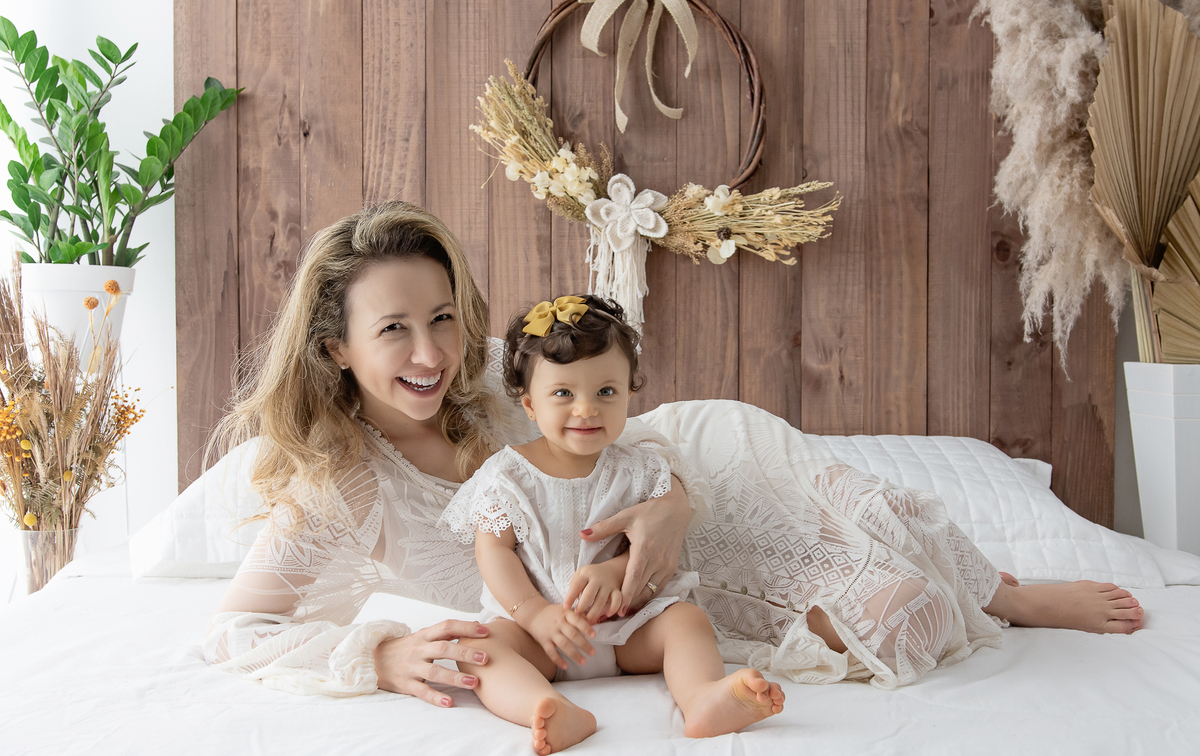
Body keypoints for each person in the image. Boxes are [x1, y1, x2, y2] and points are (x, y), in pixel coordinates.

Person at [205, 200, 1143, 704]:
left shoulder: (498, 374)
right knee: (900, 616)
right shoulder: (340, 487)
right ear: (336, 348)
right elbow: (238, 631)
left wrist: (673, 505)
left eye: (444, 318)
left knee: (870, 519)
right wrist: (382, 657)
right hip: (627, 607)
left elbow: (610, 419)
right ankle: (939, 597)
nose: (430, 354)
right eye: (395, 331)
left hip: (686, 475)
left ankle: (1011, 593)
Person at [440, 295, 784, 754]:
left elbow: (654, 544)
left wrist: (617, 570)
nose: (586, 409)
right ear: (529, 404)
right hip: (541, 637)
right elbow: (493, 550)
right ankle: (547, 706)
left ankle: (701, 698)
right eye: (563, 393)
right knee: (480, 651)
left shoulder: (640, 469)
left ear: (628, 394)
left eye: (606, 392)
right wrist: (533, 612)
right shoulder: (507, 476)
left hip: (627, 628)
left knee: (686, 621)